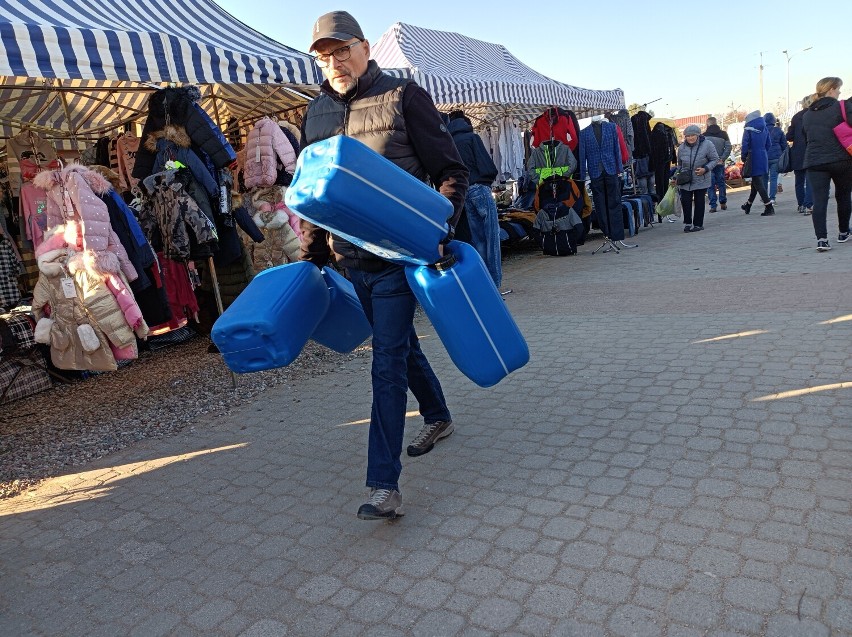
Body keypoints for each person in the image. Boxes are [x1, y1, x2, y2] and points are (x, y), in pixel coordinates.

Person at [299, 11, 469, 519]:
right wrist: (312, 254)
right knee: (399, 346)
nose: (335, 62)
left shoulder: (404, 96)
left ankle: (383, 485)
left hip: (399, 257)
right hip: (351, 260)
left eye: (342, 50)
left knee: (386, 363)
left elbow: (451, 169)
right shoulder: (315, 114)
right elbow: (311, 193)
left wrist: (438, 229)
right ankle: (437, 414)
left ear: (365, 47)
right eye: (324, 55)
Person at [447, 111, 502, 288]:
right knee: (492, 239)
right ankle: (495, 283)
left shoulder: (449, 143)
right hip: (480, 188)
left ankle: (484, 283)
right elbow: (486, 165)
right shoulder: (472, 137)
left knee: (478, 240)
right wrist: (487, 180)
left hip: (464, 193)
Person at [802, 76, 852, 251]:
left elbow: (805, 137)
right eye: (838, 88)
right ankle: (843, 232)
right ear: (831, 90)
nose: (839, 92)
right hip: (841, 160)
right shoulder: (841, 107)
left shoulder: (807, 114)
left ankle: (822, 239)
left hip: (814, 162)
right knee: (844, 196)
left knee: (819, 200)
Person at [676, 124, 719, 232]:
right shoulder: (681, 148)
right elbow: (679, 165)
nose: (690, 138)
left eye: (692, 135)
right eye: (688, 136)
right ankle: (687, 222)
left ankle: (698, 224)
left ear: (698, 135)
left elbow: (715, 159)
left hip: (701, 177)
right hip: (685, 179)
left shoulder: (707, 144)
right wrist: (676, 176)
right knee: (685, 200)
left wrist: (705, 168)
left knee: (699, 201)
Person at [740, 110, 774, 216]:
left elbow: (745, 144)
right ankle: (748, 204)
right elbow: (769, 144)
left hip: (752, 157)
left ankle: (769, 206)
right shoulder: (764, 129)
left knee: (758, 183)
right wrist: (762, 152)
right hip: (762, 156)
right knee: (755, 182)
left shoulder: (748, 129)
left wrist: (744, 156)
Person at [786, 94, 815, 215]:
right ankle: (809, 205)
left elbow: (789, 136)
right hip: (811, 150)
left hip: (797, 152)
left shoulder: (796, 117)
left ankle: (801, 204)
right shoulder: (814, 115)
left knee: (799, 180)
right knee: (810, 180)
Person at [702, 117, 731, 212]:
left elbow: (702, 151)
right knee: (721, 182)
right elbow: (728, 147)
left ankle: (713, 205)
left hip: (708, 163)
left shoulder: (704, 136)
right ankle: (723, 202)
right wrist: (722, 158)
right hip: (719, 162)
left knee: (710, 184)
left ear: (708, 124)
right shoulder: (723, 134)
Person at [764, 112, 788, 203]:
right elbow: (784, 145)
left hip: (764, 157)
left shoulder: (762, 130)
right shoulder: (778, 130)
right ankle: (772, 198)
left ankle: (764, 197)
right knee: (774, 178)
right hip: (776, 157)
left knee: (765, 178)